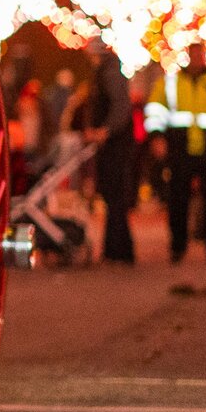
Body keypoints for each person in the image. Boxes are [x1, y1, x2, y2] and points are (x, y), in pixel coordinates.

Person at [143, 41, 206, 263]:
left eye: (199, 55)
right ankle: (178, 247)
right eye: (193, 55)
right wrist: (157, 136)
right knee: (178, 201)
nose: (196, 59)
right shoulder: (171, 83)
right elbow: (155, 109)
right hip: (179, 146)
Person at [81, 40, 138, 264]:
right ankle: (118, 249)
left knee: (115, 197)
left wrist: (105, 130)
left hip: (116, 146)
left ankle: (117, 250)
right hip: (115, 144)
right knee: (114, 198)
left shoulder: (109, 73)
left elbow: (120, 106)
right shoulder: (108, 71)